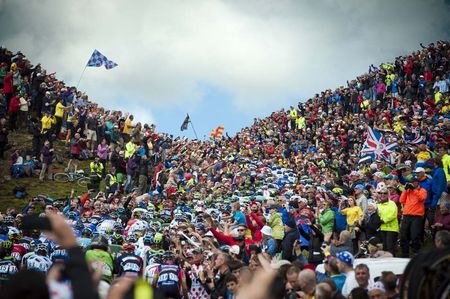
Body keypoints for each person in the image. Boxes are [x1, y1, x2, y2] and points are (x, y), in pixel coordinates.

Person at [399, 177, 427, 257]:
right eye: (410, 182)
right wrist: (405, 190)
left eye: (413, 182)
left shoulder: (422, 190)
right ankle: (405, 254)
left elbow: (422, 198)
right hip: (407, 215)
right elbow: (401, 200)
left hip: (417, 216)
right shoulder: (407, 191)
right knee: (403, 236)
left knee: (415, 236)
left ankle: (416, 253)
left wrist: (414, 190)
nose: (411, 184)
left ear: (417, 182)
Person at [376, 187, 399, 255]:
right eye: (380, 193)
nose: (382, 194)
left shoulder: (392, 203)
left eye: (385, 193)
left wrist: (383, 220)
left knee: (390, 248)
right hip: (382, 228)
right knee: (384, 248)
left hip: (391, 228)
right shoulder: (378, 205)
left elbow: (393, 214)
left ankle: (392, 263)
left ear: (388, 195)